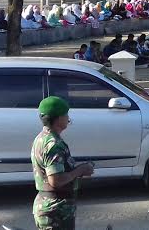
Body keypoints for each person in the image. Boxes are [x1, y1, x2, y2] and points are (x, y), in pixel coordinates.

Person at [31, 96, 95, 230]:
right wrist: (80, 170)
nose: (68, 118)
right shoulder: (53, 144)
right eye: (66, 114)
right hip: (56, 210)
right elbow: (56, 180)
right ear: (58, 118)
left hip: (51, 205)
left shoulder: (41, 138)